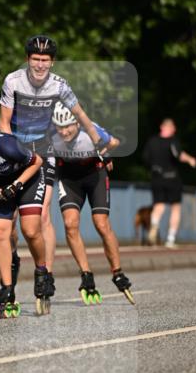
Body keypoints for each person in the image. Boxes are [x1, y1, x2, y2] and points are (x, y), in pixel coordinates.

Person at [0, 34, 104, 293]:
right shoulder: (13, 81)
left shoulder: (59, 85)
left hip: (45, 151)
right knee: (10, 221)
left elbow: (79, 113)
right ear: (27, 59)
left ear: (53, 62)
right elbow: (3, 122)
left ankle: (45, 272)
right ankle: (12, 259)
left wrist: (95, 138)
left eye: (45, 60)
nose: (40, 65)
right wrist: (12, 153)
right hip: (15, 149)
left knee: (43, 214)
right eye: (35, 59)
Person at [51, 102, 134, 304]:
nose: (64, 132)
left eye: (68, 126)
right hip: (69, 178)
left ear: (77, 123)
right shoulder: (50, 137)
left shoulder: (90, 129)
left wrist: (105, 153)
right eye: (59, 127)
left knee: (101, 223)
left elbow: (113, 142)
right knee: (70, 224)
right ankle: (86, 274)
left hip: (94, 174)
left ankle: (117, 271)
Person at [0, 132, 52, 317]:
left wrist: (16, 185)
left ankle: (41, 272)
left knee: (30, 231)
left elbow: (37, 162)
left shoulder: (7, 146)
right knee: (0, 233)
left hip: (28, 178)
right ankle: (6, 288)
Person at [142, 118, 196, 248]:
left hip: (156, 178)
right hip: (172, 178)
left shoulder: (152, 141)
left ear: (161, 127)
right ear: (171, 128)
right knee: (175, 208)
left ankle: (154, 227)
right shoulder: (173, 141)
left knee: (158, 206)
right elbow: (178, 155)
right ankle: (170, 239)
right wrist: (190, 159)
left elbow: (145, 158)